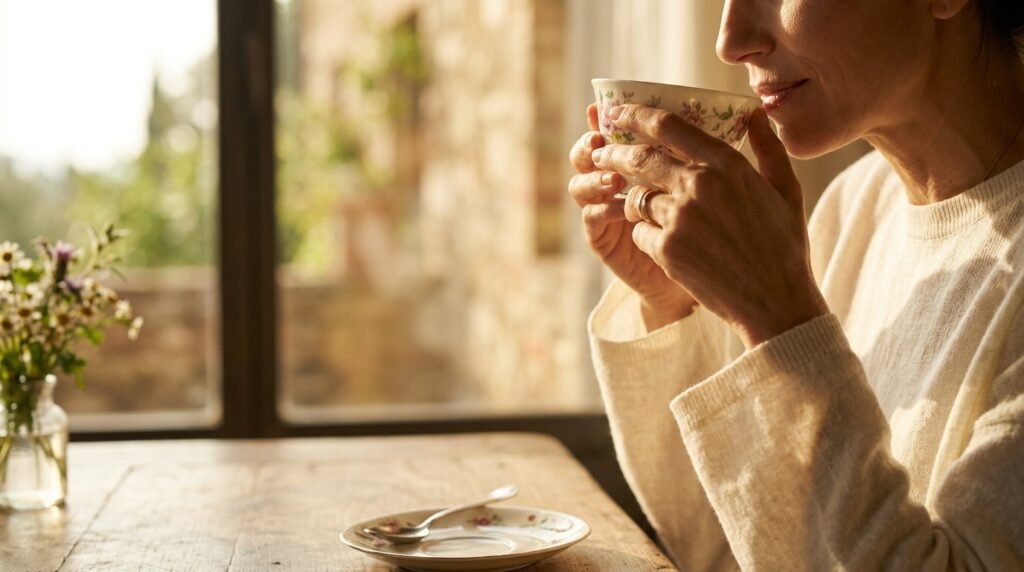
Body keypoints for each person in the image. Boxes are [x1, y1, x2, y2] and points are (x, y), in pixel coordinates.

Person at [568, 0, 1024, 569]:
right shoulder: (856, 209)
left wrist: (781, 320)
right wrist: (671, 302)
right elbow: (728, 550)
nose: (730, 41)